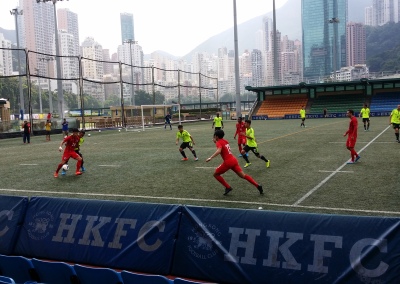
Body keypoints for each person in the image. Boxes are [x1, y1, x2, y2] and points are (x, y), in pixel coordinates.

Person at [206, 130, 263, 195]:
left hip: (228, 162)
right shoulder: (225, 141)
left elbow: (219, 150)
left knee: (216, 174)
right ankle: (258, 186)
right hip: (233, 160)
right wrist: (216, 141)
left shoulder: (218, 142)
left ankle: (228, 187)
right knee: (243, 175)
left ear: (217, 136)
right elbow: (222, 146)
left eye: (215, 136)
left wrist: (211, 157)